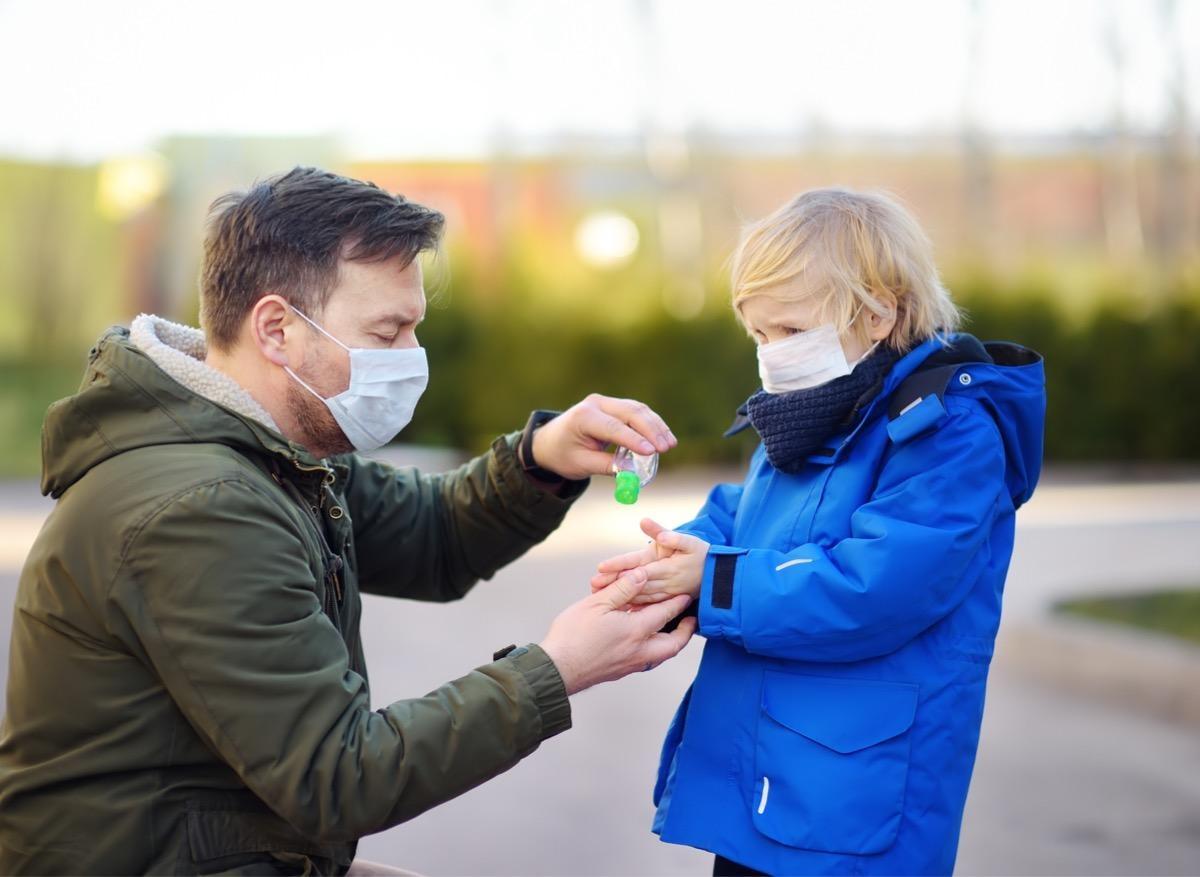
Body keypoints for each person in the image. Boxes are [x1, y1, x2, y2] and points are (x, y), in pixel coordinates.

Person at [0, 167, 697, 876]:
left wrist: (543, 457)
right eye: (387, 332)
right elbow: (337, 776)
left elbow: (433, 539)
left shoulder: (270, 449)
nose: (410, 360)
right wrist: (558, 667)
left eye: (414, 329)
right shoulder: (201, 505)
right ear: (276, 328)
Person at [592, 188, 1046, 875]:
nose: (772, 354)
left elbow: (877, 586)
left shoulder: (948, 434)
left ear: (878, 310)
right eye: (759, 335)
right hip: (771, 775)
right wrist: (668, 556)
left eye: (792, 330)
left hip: (849, 794)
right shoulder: (814, 409)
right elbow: (747, 514)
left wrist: (711, 578)